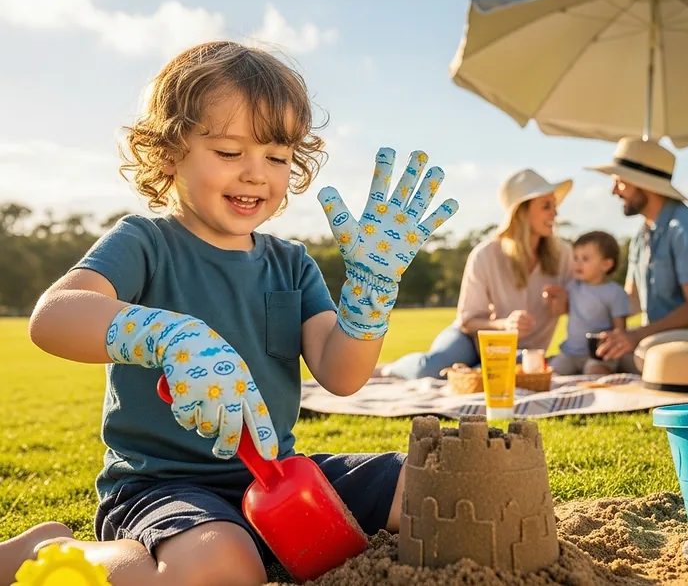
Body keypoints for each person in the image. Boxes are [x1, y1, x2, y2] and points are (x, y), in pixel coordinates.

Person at [0, 41, 458, 586]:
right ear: (169, 152)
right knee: (223, 565)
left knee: (442, 488)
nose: (255, 174)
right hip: (163, 488)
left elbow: (342, 375)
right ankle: (47, 552)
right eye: (228, 152)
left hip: (282, 478)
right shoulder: (145, 242)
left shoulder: (292, 264)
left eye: (277, 157)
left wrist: (370, 295)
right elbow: (53, 317)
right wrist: (167, 335)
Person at [381, 168, 573, 380]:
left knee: (506, 373)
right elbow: (467, 321)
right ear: (521, 212)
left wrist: (566, 304)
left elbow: (584, 305)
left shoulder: (565, 256)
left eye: (554, 205)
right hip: (469, 340)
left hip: (522, 354)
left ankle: (475, 369)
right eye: (546, 206)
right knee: (432, 369)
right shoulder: (485, 255)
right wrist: (504, 325)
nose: (555, 213)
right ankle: (392, 369)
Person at [587, 136, 688, 374]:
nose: (614, 191)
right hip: (664, 338)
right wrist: (577, 299)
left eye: (620, 181)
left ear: (643, 183)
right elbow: (631, 300)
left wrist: (636, 334)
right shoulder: (641, 236)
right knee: (603, 352)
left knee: (650, 352)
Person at [548, 230, 630, 376]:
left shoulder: (615, 293)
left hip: (599, 355)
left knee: (596, 374)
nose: (578, 263)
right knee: (551, 374)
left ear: (605, 264)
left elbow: (620, 330)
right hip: (570, 353)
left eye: (585, 259)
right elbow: (559, 311)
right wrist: (553, 296)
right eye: (576, 258)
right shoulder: (572, 287)